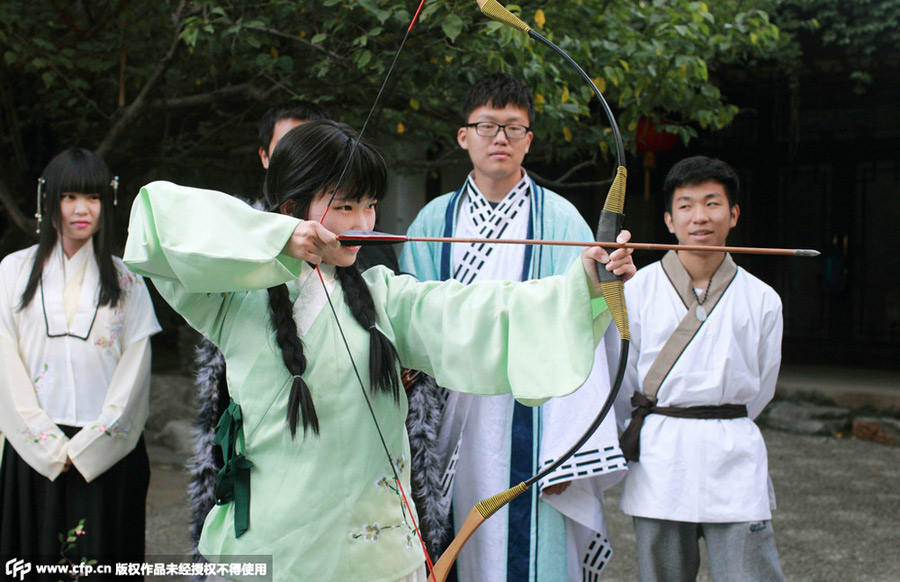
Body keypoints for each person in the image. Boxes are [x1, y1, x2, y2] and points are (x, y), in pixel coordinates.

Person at [123, 119, 634, 582]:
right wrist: (277, 238)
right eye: (345, 205)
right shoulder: (233, 298)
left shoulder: (385, 297)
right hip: (270, 551)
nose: (365, 223)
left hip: (378, 558)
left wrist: (585, 283)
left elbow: (480, 312)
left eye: (369, 205)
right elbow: (154, 219)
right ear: (291, 208)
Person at [398, 72, 628, 582]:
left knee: (533, 553)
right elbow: (407, 328)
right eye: (486, 126)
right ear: (463, 136)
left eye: (513, 128)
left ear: (529, 139)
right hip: (451, 416)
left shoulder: (563, 222)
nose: (499, 138)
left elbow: (583, 336)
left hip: (536, 417)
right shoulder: (430, 223)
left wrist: (570, 454)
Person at [615, 156, 785, 582]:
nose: (700, 217)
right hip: (660, 457)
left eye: (712, 203)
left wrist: (719, 420)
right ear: (670, 220)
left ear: (733, 214)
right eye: (687, 205)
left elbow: (761, 388)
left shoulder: (763, 298)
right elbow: (623, 380)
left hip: (734, 453)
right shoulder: (637, 290)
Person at [0, 148, 160, 577]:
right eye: (69, 197)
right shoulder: (12, 272)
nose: (81, 209)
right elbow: (5, 364)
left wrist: (92, 444)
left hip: (108, 453)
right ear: (47, 200)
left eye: (91, 198)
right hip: (32, 450)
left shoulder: (127, 279)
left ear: (106, 201)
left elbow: (135, 366)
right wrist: (47, 444)